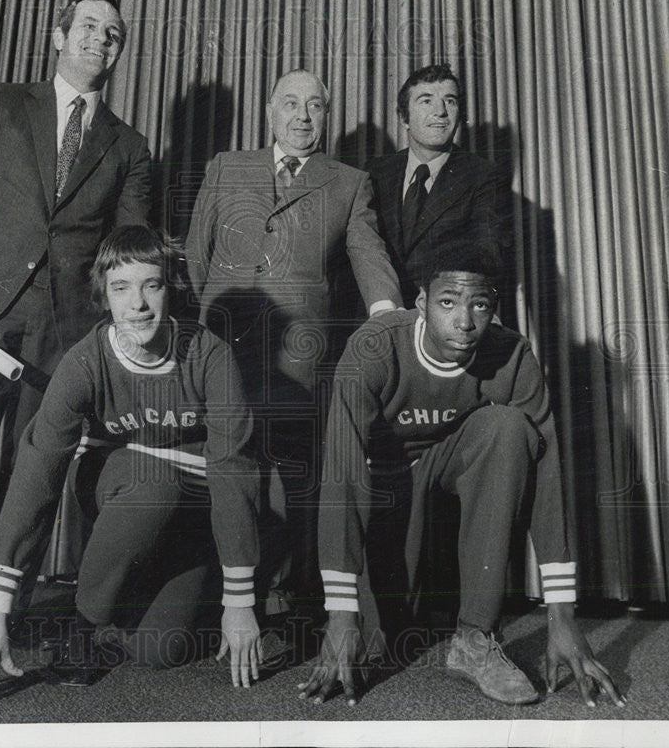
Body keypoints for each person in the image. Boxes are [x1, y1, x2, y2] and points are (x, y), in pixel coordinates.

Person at [0, 0, 152, 668]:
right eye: (88, 28)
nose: (99, 41)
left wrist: (114, 340)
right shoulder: (2, 104)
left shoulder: (130, 147)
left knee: (34, 473)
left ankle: (2, 611)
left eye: (113, 34)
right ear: (57, 35)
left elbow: (128, 251)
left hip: (68, 335)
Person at [0, 226, 263, 711]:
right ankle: (84, 623)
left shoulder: (210, 355)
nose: (137, 303)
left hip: (191, 505)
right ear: (104, 297)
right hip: (125, 487)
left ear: (169, 289)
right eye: (121, 288)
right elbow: (36, 475)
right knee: (154, 487)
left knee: (162, 651)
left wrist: (240, 602)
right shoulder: (86, 361)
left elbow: (233, 472)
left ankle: (121, 600)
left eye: (150, 285)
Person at [299, 240, 625, 709]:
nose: (465, 321)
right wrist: (342, 613)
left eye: (480, 305)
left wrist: (563, 617)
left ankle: (475, 638)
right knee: (377, 645)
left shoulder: (512, 354)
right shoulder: (374, 346)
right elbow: (343, 473)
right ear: (421, 304)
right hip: (383, 484)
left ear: (494, 309)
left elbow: (548, 475)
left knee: (510, 428)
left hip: (450, 467)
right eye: (448, 302)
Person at [185, 69, 401, 613]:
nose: (303, 116)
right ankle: (216, 591)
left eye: (315, 106)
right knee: (221, 459)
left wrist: (387, 316)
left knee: (287, 474)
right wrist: (208, 318)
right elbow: (196, 253)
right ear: (269, 110)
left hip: (298, 355)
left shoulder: (349, 182)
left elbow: (368, 256)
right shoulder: (226, 167)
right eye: (290, 103)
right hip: (222, 344)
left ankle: (276, 596)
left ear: (328, 116)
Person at [367, 64, 502, 308]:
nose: (440, 111)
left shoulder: (481, 175)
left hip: (443, 316)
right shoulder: (375, 172)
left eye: (449, 101)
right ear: (403, 117)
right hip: (377, 316)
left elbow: (487, 254)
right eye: (426, 101)